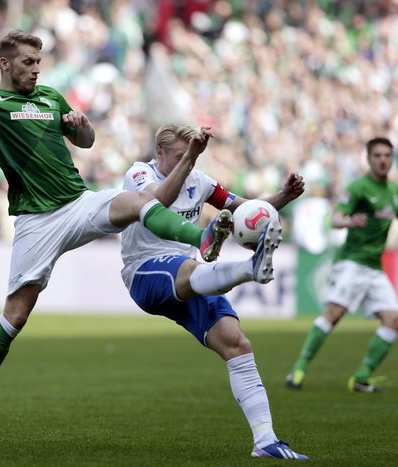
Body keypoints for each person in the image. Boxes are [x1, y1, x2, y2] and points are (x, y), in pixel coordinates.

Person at [0, 10, 232, 447]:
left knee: (137, 201)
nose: (36, 69)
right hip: (36, 220)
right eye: (28, 62)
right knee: (15, 317)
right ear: (5, 63)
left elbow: (85, 142)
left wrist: (83, 129)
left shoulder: (50, 97)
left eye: (38, 62)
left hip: (78, 202)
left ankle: (202, 237)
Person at [121, 123, 308, 460]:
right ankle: (249, 269)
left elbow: (246, 210)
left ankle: (265, 440)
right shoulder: (139, 174)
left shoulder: (200, 181)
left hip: (192, 275)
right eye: (180, 156)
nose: (187, 161)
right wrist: (190, 159)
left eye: (191, 155)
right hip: (145, 271)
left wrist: (283, 197)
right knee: (191, 267)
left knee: (237, 343)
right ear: (159, 152)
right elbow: (155, 202)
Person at [287, 137, 398, 393]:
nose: (383, 160)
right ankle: (299, 367)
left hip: (374, 267)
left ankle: (361, 377)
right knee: (334, 314)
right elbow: (334, 219)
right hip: (352, 262)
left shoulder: (393, 191)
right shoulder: (359, 188)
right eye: (377, 155)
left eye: (387, 155)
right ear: (368, 159)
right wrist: (348, 221)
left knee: (393, 320)